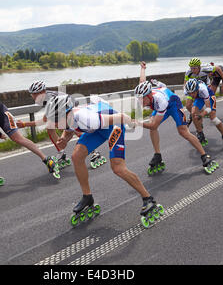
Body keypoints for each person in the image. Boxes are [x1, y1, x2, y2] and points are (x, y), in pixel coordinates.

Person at [44, 94, 164, 228]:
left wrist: (132, 122)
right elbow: (69, 129)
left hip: (113, 125)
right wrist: (65, 139)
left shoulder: (86, 119)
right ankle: (87, 197)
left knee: (118, 168)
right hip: (98, 127)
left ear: (64, 114)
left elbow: (122, 117)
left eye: (55, 120)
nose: (54, 124)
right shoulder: (68, 117)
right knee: (76, 157)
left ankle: (148, 199)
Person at [135, 62, 219, 174]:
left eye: (142, 99)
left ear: (149, 95)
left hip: (173, 104)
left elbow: (154, 125)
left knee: (183, 132)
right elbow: (142, 81)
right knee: (152, 125)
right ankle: (158, 155)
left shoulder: (160, 101)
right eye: (139, 99)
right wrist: (143, 69)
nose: (140, 102)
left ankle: (205, 156)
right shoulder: (146, 93)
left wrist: (135, 122)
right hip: (162, 105)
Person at [16, 80, 105, 169]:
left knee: (75, 130)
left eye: (36, 94)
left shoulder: (50, 101)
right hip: (64, 107)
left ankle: (94, 151)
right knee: (52, 128)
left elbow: (43, 121)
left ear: (43, 92)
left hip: (72, 108)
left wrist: (24, 124)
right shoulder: (44, 98)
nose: (34, 96)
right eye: (32, 94)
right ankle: (61, 153)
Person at [184, 79, 223, 150]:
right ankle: (200, 133)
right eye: (189, 93)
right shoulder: (187, 91)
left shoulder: (203, 90)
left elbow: (208, 108)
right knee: (193, 113)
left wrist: (202, 115)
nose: (191, 95)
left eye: (193, 93)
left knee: (213, 118)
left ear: (197, 89)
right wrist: (196, 115)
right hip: (199, 97)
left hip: (209, 95)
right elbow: (190, 101)